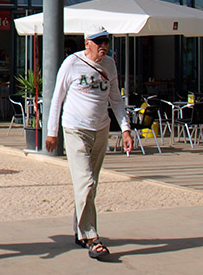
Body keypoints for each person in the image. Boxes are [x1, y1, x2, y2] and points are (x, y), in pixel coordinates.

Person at [45, 24, 132, 261]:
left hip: (101, 129)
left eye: (106, 41)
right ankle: (92, 237)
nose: (103, 46)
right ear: (87, 43)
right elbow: (57, 98)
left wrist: (125, 129)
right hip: (75, 129)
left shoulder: (110, 65)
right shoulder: (71, 63)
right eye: (98, 41)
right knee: (86, 182)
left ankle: (79, 230)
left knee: (90, 184)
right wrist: (52, 132)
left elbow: (116, 99)